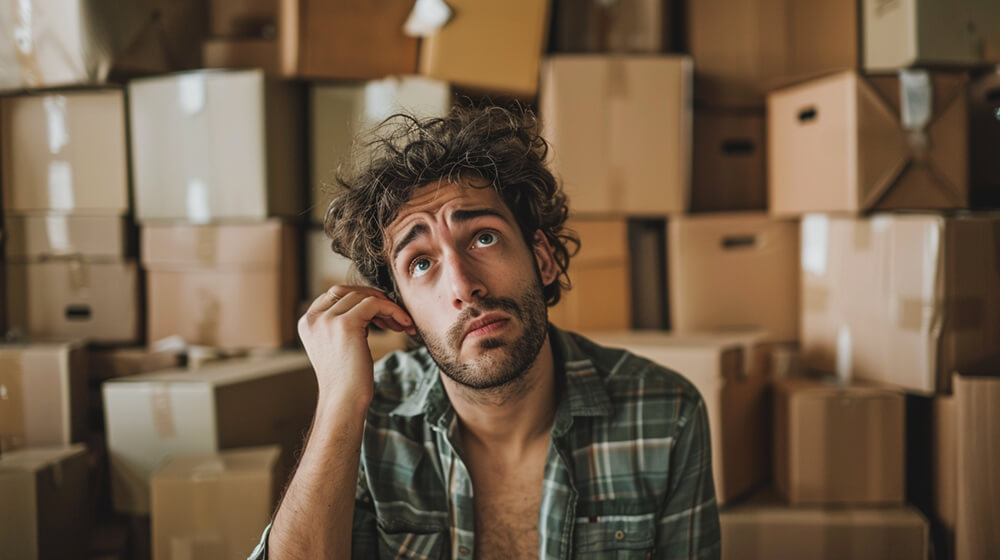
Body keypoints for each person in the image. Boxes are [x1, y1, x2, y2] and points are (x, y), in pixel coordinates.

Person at [250, 105, 721, 560]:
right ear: (399, 310)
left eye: (483, 237)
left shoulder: (666, 414)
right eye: (421, 263)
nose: (463, 287)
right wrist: (338, 403)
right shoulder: (367, 424)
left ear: (542, 258)